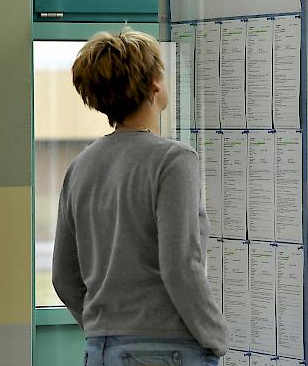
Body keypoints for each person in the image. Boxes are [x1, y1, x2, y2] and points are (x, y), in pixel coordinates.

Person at [52, 29, 228, 366]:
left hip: (100, 350)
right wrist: (215, 335)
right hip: (167, 350)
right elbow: (180, 266)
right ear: (154, 85)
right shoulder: (174, 160)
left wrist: (100, 328)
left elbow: (64, 277)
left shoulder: (81, 166)